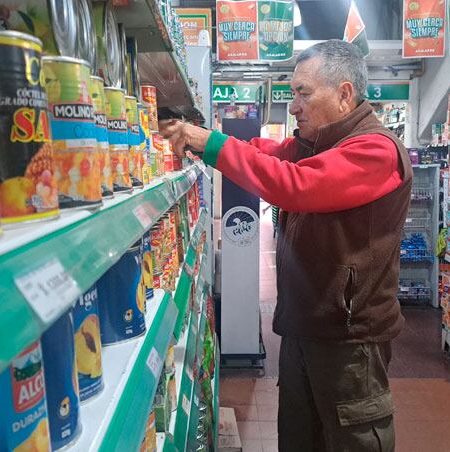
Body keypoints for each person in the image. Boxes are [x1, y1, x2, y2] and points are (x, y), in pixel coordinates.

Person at [159, 40, 411, 451]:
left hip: (349, 339)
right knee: (299, 436)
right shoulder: (318, 143)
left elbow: (296, 185)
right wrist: (203, 141)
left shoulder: (375, 150)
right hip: (304, 324)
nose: (293, 106)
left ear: (344, 94)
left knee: (352, 439)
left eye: (302, 93)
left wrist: (208, 142)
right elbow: (267, 154)